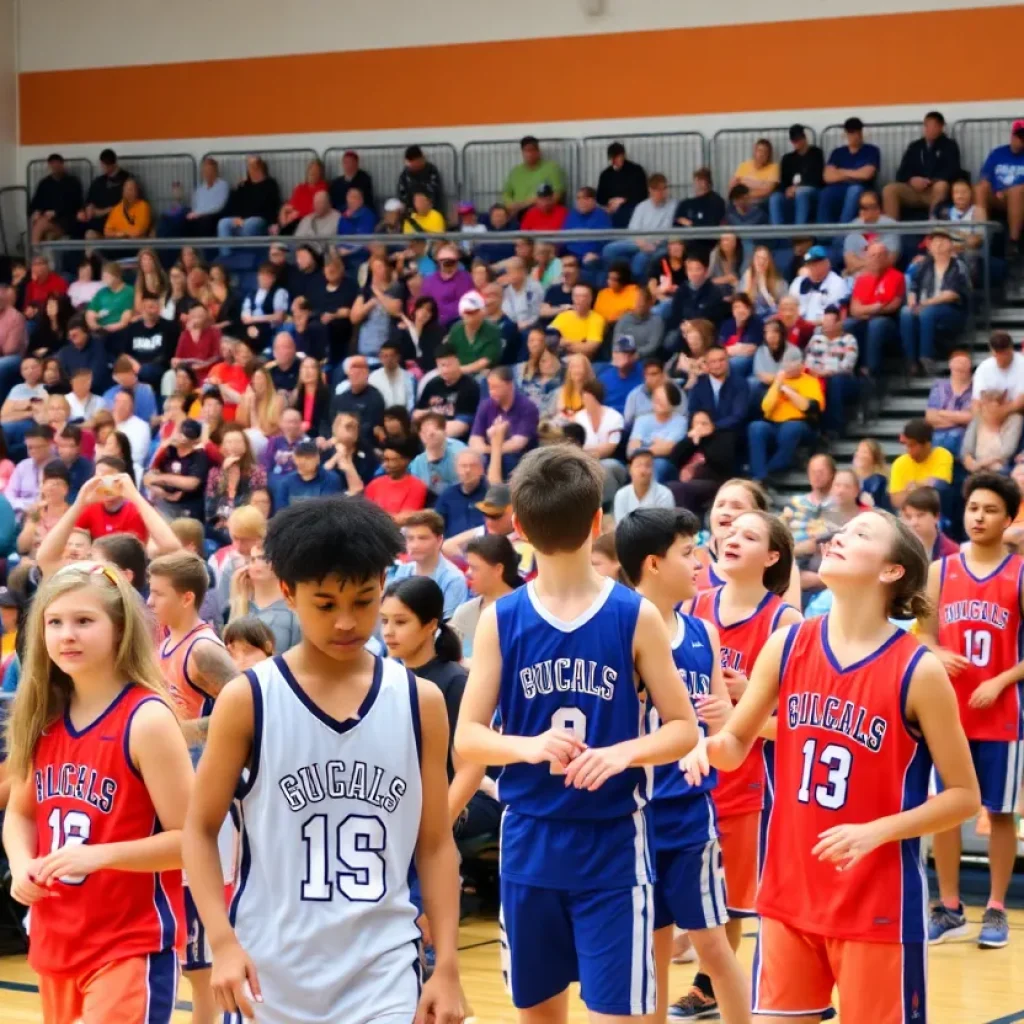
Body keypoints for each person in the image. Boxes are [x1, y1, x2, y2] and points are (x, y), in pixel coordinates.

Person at [682, 509, 979, 1024]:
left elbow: (963, 796)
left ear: (891, 570)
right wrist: (699, 747)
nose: (840, 535)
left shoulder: (919, 669)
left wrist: (878, 832)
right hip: (788, 893)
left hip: (876, 902)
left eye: (861, 534)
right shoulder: (789, 644)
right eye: (842, 530)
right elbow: (734, 743)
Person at [181, 496, 464, 1024]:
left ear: (383, 583)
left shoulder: (420, 702)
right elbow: (198, 830)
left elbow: (434, 842)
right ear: (288, 592)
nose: (346, 622)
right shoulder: (249, 698)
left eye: (362, 600)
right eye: (326, 603)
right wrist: (221, 941)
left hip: (382, 969)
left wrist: (446, 964)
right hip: (268, 970)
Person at [454, 445, 700, 1022]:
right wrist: (528, 747)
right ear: (599, 522)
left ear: (516, 526)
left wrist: (621, 754)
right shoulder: (503, 618)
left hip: (614, 844)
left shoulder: (631, 614)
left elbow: (684, 728)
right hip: (530, 845)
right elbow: (468, 736)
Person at [3, 560, 194, 1024]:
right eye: (55, 622)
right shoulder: (41, 715)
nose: (67, 634)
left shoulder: (146, 719)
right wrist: (22, 863)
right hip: (56, 939)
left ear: (120, 629)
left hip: (129, 944)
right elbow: (22, 815)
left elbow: (191, 841)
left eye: (84, 621)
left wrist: (100, 855)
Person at [615, 507, 750, 1024]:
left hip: (690, 813)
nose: (700, 562)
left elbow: (727, 734)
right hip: (634, 812)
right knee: (650, 951)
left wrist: (722, 722)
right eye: (688, 552)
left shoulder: (703, 634)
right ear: (653, 563)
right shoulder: (620, 629)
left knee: (713, 946)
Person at [676, 510, 802, 1018]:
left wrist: (745, 706)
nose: (732, 539)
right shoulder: (693, 605)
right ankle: (709, 980)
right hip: (692, 770)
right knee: (702, 891)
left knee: (735, 899)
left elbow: (798, 722)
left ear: (772, 558)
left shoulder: (784, 622)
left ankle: (717, 984)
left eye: (751, 536)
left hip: (756, 781)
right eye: (731, 532)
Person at [922, 472, 1024, 950]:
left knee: (999, 813)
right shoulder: (942, 569)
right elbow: (920, 633)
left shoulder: (1020, 573)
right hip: (948, 713)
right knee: (945, 812)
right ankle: (950, 907)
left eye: (990, 510)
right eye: (973, 508)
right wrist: (936, 653)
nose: (979, 517)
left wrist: (1001, 681)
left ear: (1008, 519)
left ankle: (998, 909)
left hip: (1002, 713)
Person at [147, 551, 240, 1024]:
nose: (150, 600)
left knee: (203, 954)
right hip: (179, 790)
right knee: (189, 952)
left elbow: (245, 709)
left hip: (210, 797)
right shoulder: (165, 642)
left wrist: (183, 732)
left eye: (158, 593)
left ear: (186, 597)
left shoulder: (204, 650)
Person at [747, 347, 824, 484]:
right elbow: (766, 407)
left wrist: (788, 391)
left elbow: (807, 407)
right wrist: (778, 384)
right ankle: (759, 476)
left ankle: (770, 470)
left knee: (790, 428)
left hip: (801, 424)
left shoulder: (810, 382)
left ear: (802, 365)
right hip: (773, 424)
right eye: (786, 363)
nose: (788, 366)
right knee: (756, 427)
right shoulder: (778, 381)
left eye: (793, 363)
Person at [899, 230, 970, 375]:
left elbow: (952, 294)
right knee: (906, 312)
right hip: (925, 307)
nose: (938, 245)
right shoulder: (923, 265)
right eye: (935, 241)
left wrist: (925, 303)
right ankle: (911, 360)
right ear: (929, 246)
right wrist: (912, 302)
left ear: (951, 245)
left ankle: (927, 357)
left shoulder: (957, 266)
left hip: (952, 310)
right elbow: (914, 287)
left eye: (943, 241)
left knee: (928, 313)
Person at [450, 534, 520, 661]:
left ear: (498, 569)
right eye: (468, 567)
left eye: (474, 568)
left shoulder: (524, 610)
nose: (468, 573)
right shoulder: (464, 613)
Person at [389, 509, 469, 619]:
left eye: (423, 538)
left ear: (439, 540)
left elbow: (448, 627)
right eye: (410, 539)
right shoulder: (403, 571)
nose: (415, 545)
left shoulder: (453, 579)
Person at [883, 111, 961, 220]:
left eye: (934, 126)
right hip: (914, 190)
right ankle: (890, 230)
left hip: (935, 189)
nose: (929, 129)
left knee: (941, 185)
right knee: (889, 189)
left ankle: (933, 225)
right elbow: (902, 172)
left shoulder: (949, 146)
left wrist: (930, 181)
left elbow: (953, 170)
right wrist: (911, 180)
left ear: (941, 127)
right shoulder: (915, 146)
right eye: (927, 125)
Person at [227, 540, 302, 655]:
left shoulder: (294, 610)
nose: (257, 563)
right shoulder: (238, 607)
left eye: (263, 558)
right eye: (252, 559)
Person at [888, 417, 954, 509]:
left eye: (913, 445)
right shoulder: (899, 463)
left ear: (927, 444)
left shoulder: (942, 454)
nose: (908, 450)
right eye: (907, 445)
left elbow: (940, 487)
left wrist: (913, 488)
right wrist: (924, 485)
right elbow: (896, 501)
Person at [769, 124, 824, 226]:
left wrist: (798, 187)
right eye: (794, 140)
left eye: (799, 139)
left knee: (801, 193)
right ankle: (777, 232)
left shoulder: (816, 153)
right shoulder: (787, 158)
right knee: (775, 198)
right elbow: (783, 181)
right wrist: (787, 190)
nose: (797, 142)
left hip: (812, 189)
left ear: (804, 138)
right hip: (792, 190)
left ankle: (799, 230)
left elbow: (817, 178)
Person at [613, 448, 675, 521]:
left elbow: (665, 525)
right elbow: (621, 526)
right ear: (629, 469)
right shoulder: (621, 495)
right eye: (638, 465)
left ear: (653, 469)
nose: (643, 470)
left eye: (648, 465)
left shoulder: (664, 494)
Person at [901, 485, 959, 561]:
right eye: (908, 517)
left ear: (936, 517)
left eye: (920, 515)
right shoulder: (899, 550)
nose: (913, 522)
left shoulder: (953, 552)